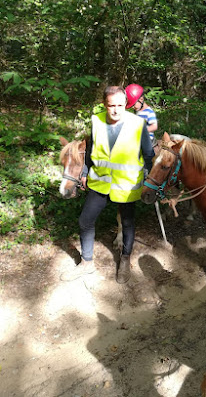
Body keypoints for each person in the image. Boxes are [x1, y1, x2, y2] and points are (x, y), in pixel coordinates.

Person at [60, 85, 154, 284]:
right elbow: (91, 149)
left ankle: (125, 259)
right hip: (100, 181)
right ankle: (87, 263)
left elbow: (148, 154)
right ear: (104, 104)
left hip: (127, 184)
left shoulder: (138, 124)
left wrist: (147, 175)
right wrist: (85, 172)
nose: (116, 110)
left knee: (127, 222)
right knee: (85, 220)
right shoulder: (97, 121)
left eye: (120, 105)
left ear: (126, 104)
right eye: (111, 105)